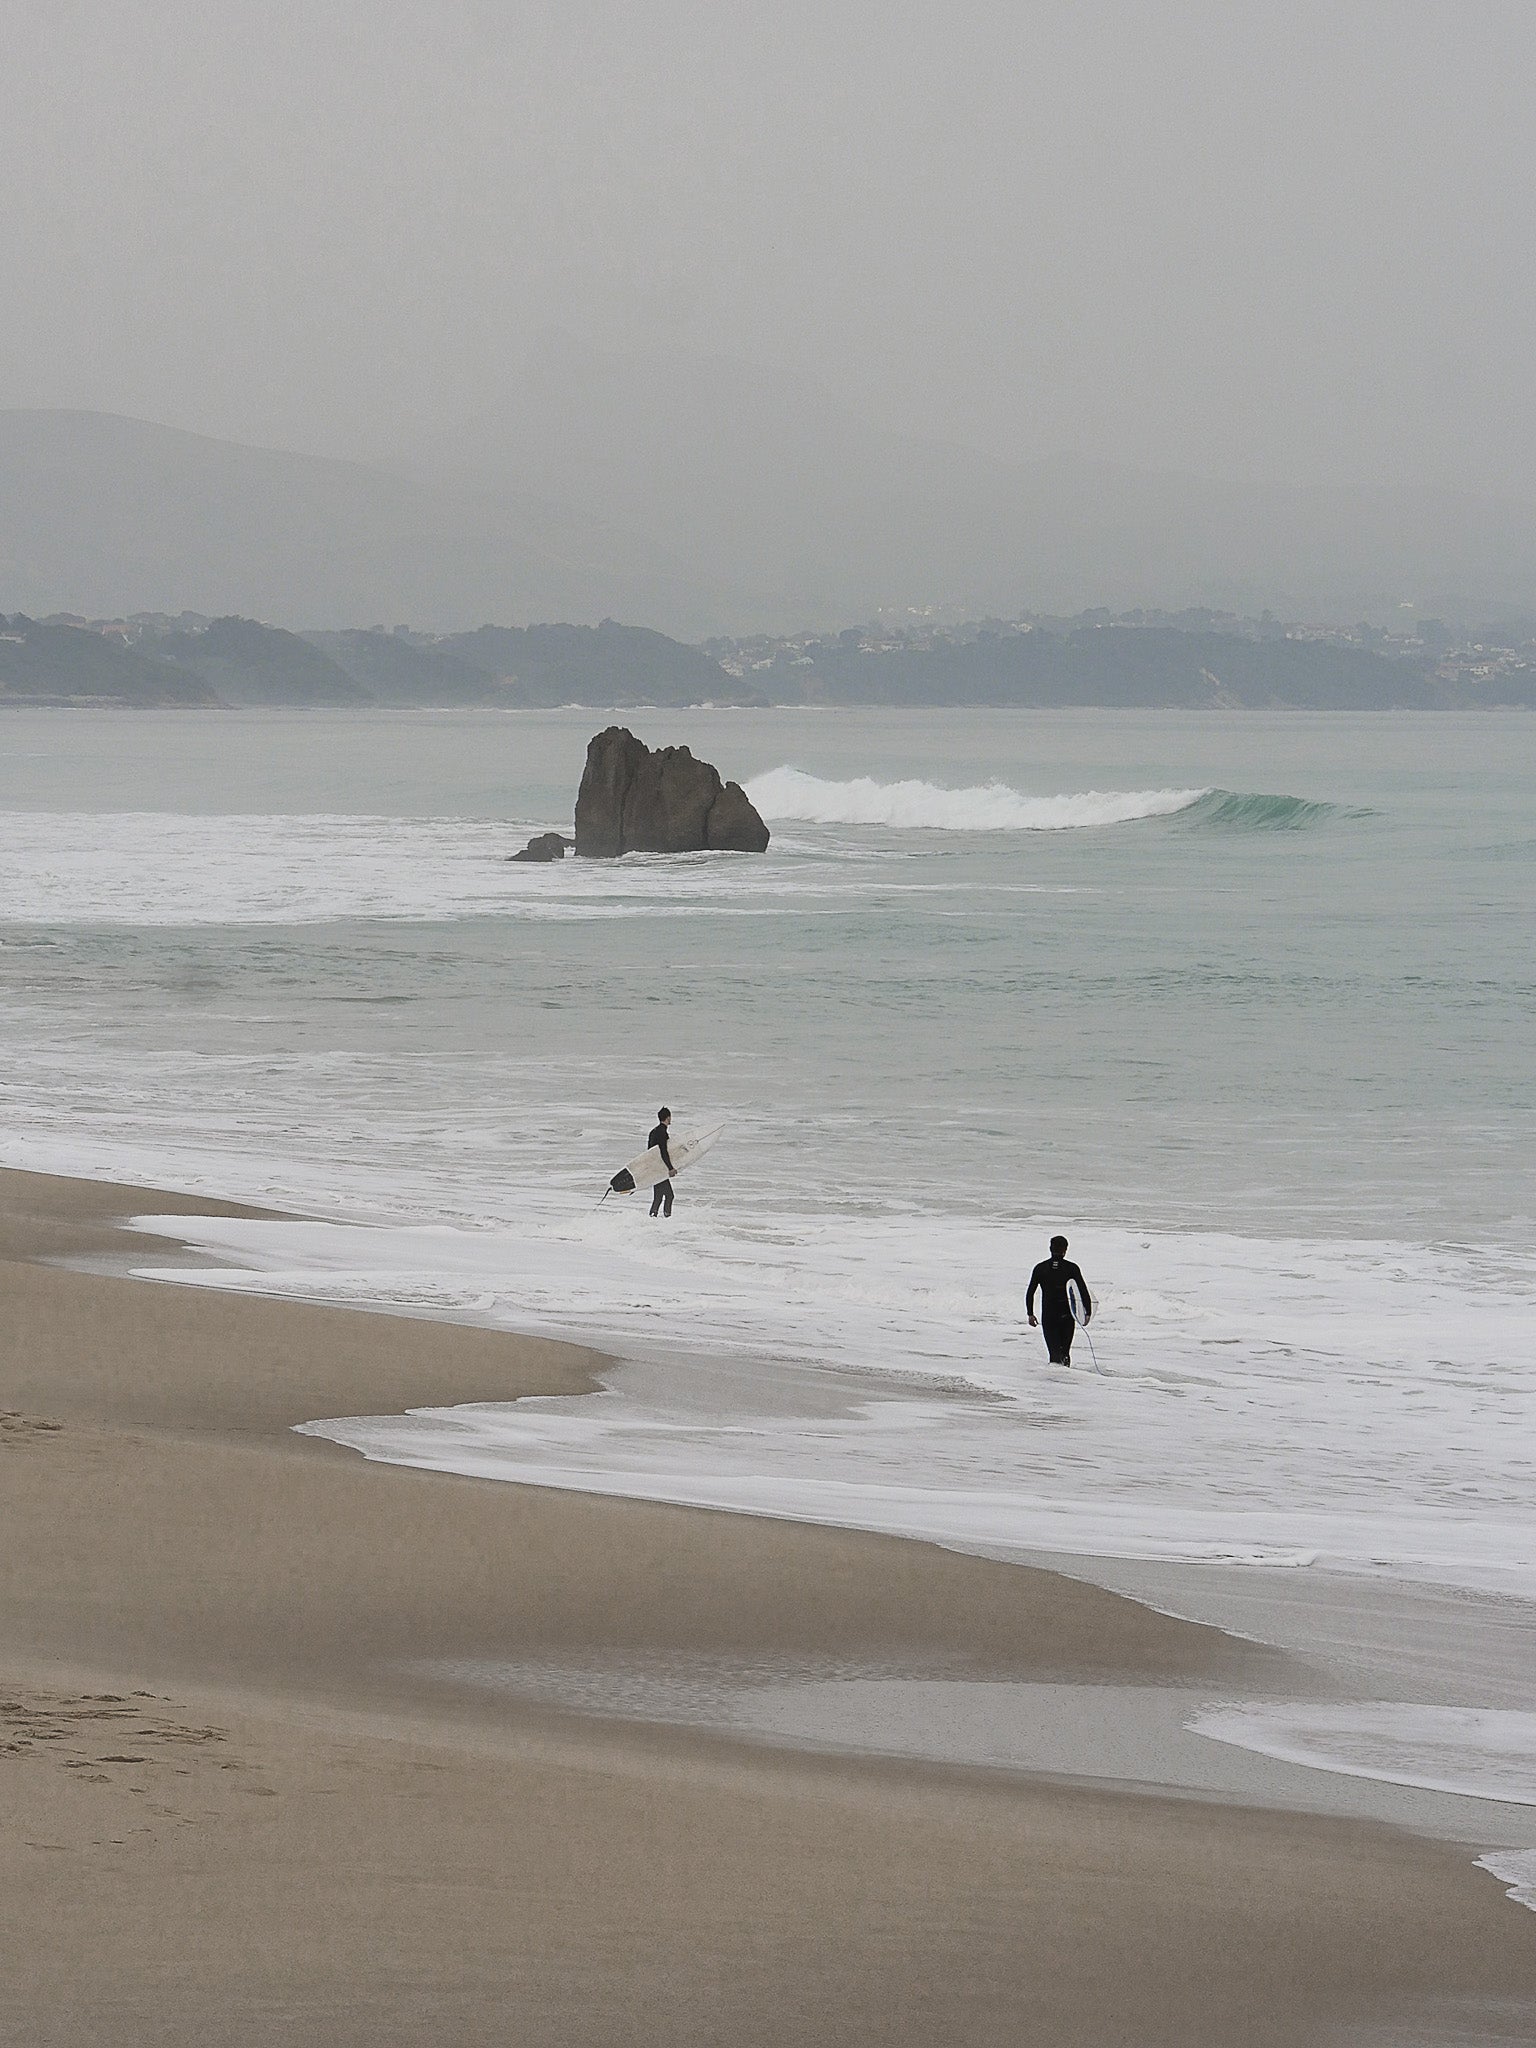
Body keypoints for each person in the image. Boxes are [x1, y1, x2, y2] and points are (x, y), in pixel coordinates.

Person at [1026, 1235, 1092, 1365]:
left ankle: (1055, 1382)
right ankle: (1065, 1380)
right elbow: (1083, 1291)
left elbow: (1030, 1292)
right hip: (1066, 1315)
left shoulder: (1040, 1268)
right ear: (1065, 1249)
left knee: (1054, 1354)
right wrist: (1087, 1312)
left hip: (1049, 1315)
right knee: (1065, 1353)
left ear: (1050, 1248)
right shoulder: (1072, 1268)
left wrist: (1030, 1314)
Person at [648, 1107, 676, 1217]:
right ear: (668, 1117)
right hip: (660, 1168)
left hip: (654, 1168)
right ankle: (667, 1218)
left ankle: (652, 1218)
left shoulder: (653, 1132)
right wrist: (670, 1168)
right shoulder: (662, 1133)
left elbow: (650, 1153)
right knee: (669, 1195)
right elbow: (663, 1151)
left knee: (658, 1197)